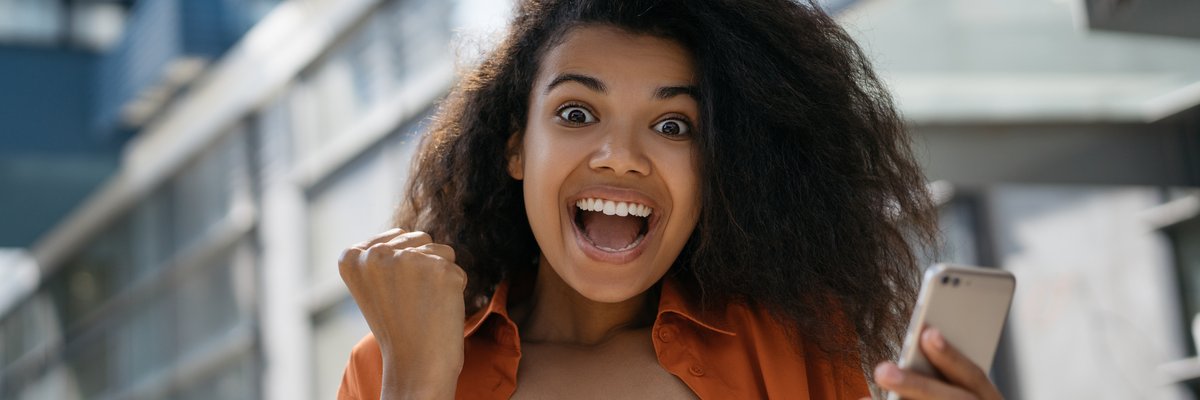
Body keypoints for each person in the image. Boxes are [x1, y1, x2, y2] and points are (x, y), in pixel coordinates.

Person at [337, 0, 1005, 399]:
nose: (621, 154)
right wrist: (417, 383)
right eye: (576, 113)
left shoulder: (791, 350)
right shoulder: (392, 363)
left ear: (718, 169)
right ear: (516, 148)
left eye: (673, 125)